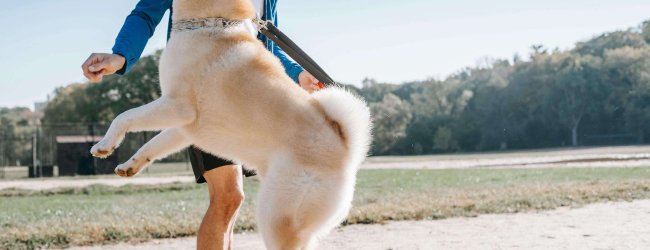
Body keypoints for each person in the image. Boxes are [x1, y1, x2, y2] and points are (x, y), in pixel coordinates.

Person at [80, 0, 320, 249]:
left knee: (235, 201)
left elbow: (268, 41)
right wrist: (120, 55)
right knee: (228, 195)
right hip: (203, 89)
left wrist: (299, 74)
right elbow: (146, 13)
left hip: (247, 97)